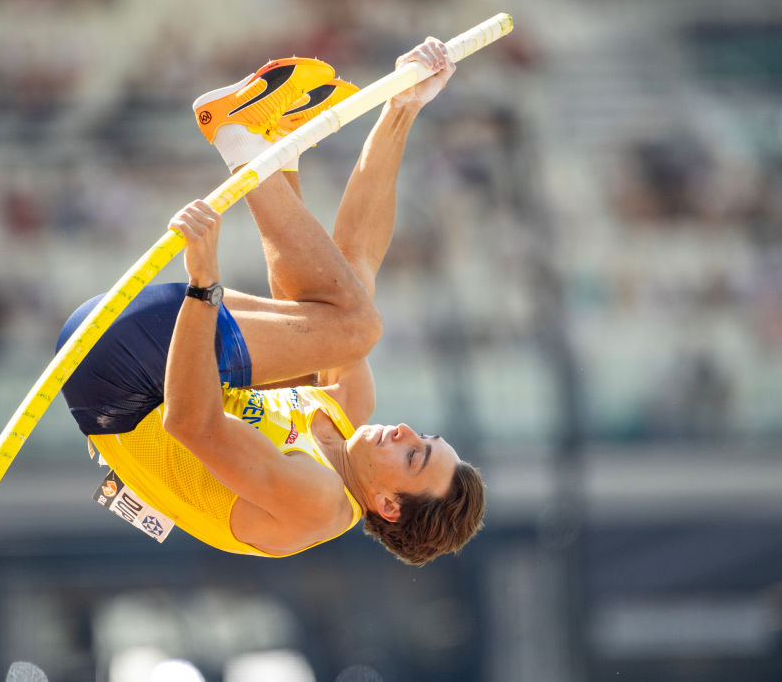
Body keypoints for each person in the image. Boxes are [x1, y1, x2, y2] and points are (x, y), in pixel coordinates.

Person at [57, 38, 485, 565]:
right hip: (126, 341)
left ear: (388, 507)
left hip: (124, 382)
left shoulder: (319, 505)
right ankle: (273, 150)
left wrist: (204, 285)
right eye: (425, 437)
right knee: (345, 305)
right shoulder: (348, 411)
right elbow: (356, 259)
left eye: (414, 456)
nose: (405, 432)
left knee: (355, 327)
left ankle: (240, 139)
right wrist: (403, 107)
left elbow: (192, 424)